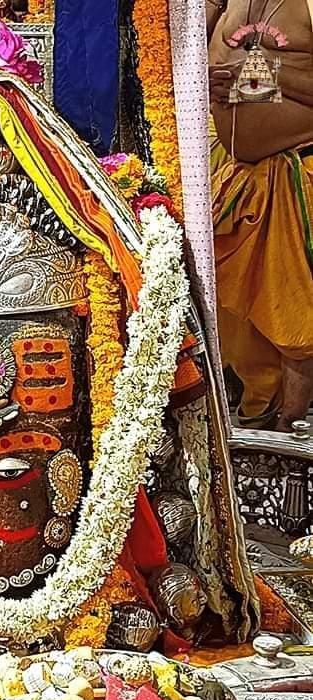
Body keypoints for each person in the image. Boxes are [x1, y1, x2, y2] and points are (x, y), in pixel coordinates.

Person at [208, 0, 313, 431]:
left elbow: (265, 74)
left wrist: (265, 69)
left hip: (296, 177)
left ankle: (289, 427)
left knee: (292, 309)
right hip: (238, 176)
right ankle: (255, 410)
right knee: (229, 305)